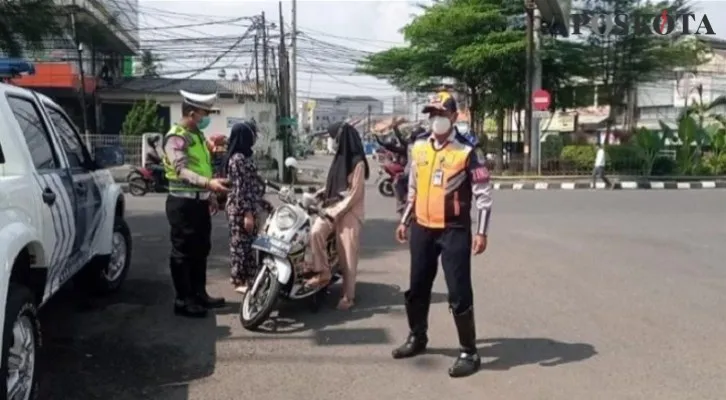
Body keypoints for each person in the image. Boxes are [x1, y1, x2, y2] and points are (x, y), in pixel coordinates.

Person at [392, 92, 493, 378]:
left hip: (454, 230)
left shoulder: (467, 151)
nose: (435, 118)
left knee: (458, 291)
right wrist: (405, 220)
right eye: (431, 112)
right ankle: (417, 336)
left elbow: (483, 195)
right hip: (422, 227)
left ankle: (469, 352)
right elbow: (413, 187)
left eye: (441, 113)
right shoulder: (420, 147)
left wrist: (482, 232)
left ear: (454, 116)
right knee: (417, 286)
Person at [162, 90, 230, 318]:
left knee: (201, 250)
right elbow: (181, 170)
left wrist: (211, 144)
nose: (207, 117)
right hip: (182, 204)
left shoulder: (197, 135)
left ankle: (199, 294)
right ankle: (183, 300)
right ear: (191, 114)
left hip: (199, 203)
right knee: (183, 252)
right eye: (204, 113)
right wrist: (209, 184)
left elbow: (200, 162)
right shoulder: (175, 137)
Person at [305, 121, 370, 310]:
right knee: (315, 232)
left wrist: (335, 211)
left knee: (347, 254)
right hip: (331, 207)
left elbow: (354, 194)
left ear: (342, 139)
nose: (332, 142)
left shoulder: (358, 163)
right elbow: (335, 184)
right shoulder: (339, 159)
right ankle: (323, 271)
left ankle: (348, 296)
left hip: (349, 213)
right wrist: (320, 193)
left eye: (334, 138)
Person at [224, 122, 270, 294]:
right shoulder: (237, 160)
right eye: (252, 135)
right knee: (240, 246)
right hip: (240, 210)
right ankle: (237, 280)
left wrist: (265, 204)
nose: (255, 138)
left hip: (250, 206)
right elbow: (241, 189)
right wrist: (247, 214)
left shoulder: (244, 157)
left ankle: (250, 278)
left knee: (250, 245)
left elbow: (252, 185)